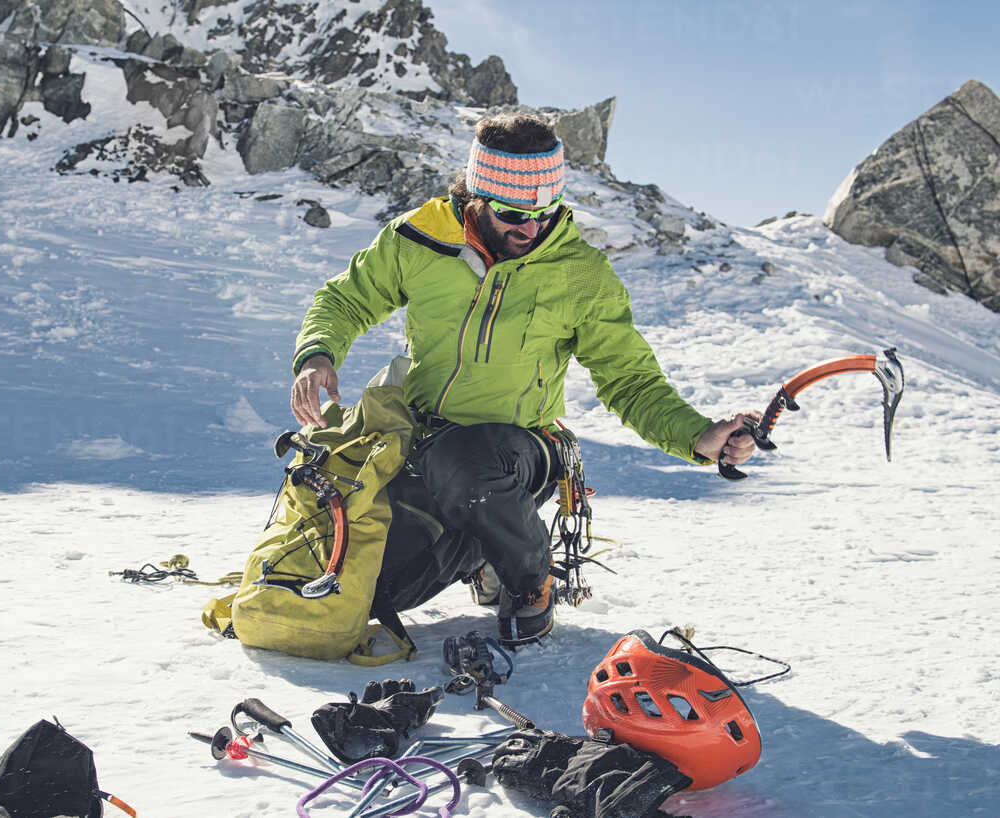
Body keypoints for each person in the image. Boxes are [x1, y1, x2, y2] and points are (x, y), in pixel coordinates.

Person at [289, 113, 756, 647]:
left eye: (545, 212)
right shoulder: (418, 241)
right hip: (420, 442)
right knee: (375, 590)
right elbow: (346, 298)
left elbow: (629, 379)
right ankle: (482, 551)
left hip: (519, 454)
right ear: (476, 198)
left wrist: (696, 436)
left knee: (467, 462)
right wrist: (317, 354)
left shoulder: (581, 275)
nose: (531, 229)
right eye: (513, 213)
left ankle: (530, 580)